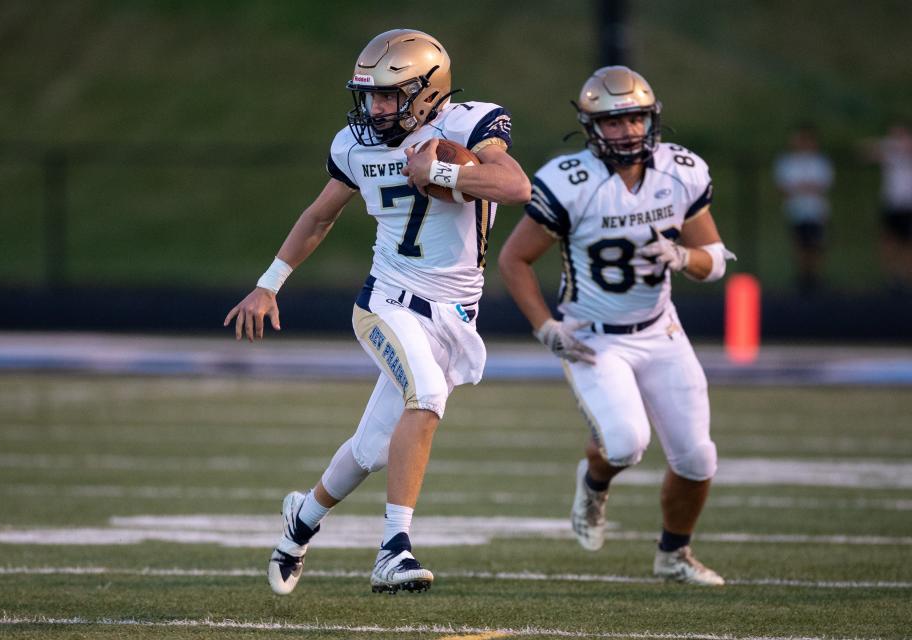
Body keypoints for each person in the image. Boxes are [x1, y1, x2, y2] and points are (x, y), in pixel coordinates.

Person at [224, 29, 530, 596]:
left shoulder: (466, 125)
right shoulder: (354, 144)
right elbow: (319, 217)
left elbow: (515, 186)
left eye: (391, 95)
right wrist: (269, 285)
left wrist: (440, 172)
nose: (377, 107)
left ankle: (301, 519)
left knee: (370, 451)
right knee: (427, 397)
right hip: (387, 302)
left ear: (428, 91)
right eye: (371, 96)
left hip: (454, 313)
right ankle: (394, 549)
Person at [498, 66, 735, 586]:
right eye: (613, 121)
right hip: (593, 338)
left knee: (698, 458)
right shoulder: (569, 182)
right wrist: (546, 327)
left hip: (661, 330)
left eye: (635, 117)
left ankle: (673, 554)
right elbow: (514, 260)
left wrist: (681, 255)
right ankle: (594, 482)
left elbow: (715, 260)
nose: (627, 130)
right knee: (626, 443)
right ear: (590, 127)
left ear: (651, 119)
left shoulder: (682, 171)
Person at [773, 125, 835, 294]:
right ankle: (802, 278)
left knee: (816, 245)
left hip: (816, 211)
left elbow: (822, 185)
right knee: (799, 245)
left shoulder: (820, 162)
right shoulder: (787, 162)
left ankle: (816, 278)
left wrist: (800, 187)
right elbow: (784, 187)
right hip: (796, 211)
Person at [862, 122, 912, 293]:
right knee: (888, 241)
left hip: (908, 204)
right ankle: (892, 277)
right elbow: (865, 153)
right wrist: (889, 147)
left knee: (907, 243)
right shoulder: (890, 151)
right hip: (891, 203)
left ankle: (907, 277)